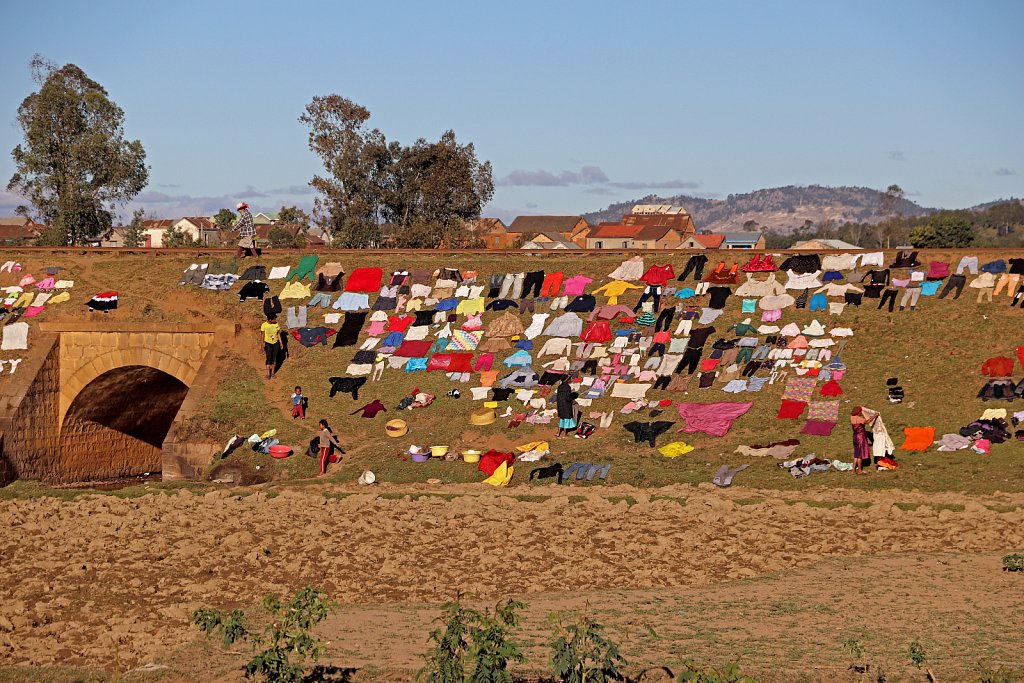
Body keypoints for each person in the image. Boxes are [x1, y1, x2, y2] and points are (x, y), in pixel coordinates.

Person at [850, 407, 876, 474]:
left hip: (855, 436)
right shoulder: (860, 419)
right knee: (860, 455)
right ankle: (859, 470)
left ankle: (853, 470)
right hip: (861, 437)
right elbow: (867, 421)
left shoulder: (852, 418)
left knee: (856, 454)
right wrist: (874, 416)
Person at [260, 314, 283, 379]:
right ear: (270, 320)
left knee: (274, 358)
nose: (275, 320)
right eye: (274, 319)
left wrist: (281, 342)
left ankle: (272, 373)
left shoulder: (276, 324)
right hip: (268, 344)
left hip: (276, 343)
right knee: (268, 358)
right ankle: (268, 374)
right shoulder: (264, 325)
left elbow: (278, 333)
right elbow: (262, 336)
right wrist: (262, 345)